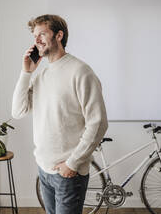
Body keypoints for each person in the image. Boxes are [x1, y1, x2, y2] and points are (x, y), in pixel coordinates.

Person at [11, 14, 108, 214]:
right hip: (44, 170)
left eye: (42, 34)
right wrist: (26, 72)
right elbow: (18, 111)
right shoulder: (42, 75)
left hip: (68, 174)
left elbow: (98, 123)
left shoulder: (81, 71)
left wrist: (72, 163)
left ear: (59, 35)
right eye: (35, 35)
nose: (36, 40)